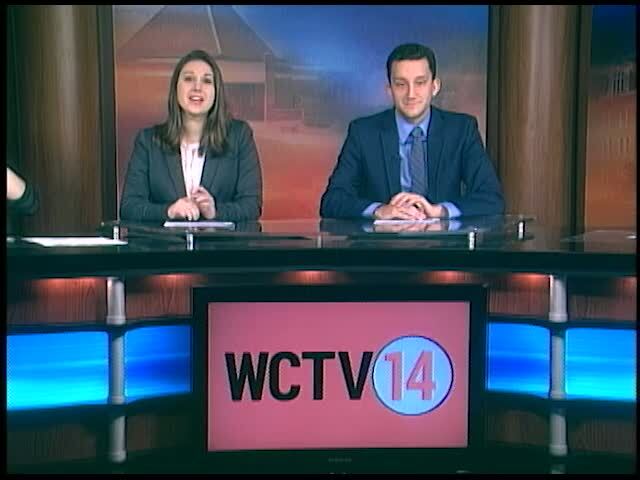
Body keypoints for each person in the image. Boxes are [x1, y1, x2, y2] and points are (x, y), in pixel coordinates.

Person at [320, 43, 504, 220]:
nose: (411, 94)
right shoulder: (363, 133)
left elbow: (491, 198)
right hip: (381, 240)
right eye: (401, 84)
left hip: (444, 240)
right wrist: (379, 210)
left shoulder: (461, 130)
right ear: (389, 89)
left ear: (434, 87)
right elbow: (332, 201)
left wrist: (440, 211)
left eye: (420, 83)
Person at [120, 49, 262, 222]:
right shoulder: (148, 141)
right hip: (166, 240)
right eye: (189, 79)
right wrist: (169, 211)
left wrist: (215, 211)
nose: (197, 88)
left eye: (207, 81)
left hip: (221, 240)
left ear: (216, 92)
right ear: (176, 88)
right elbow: (129, 207)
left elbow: (251, 206)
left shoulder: (239, 137)